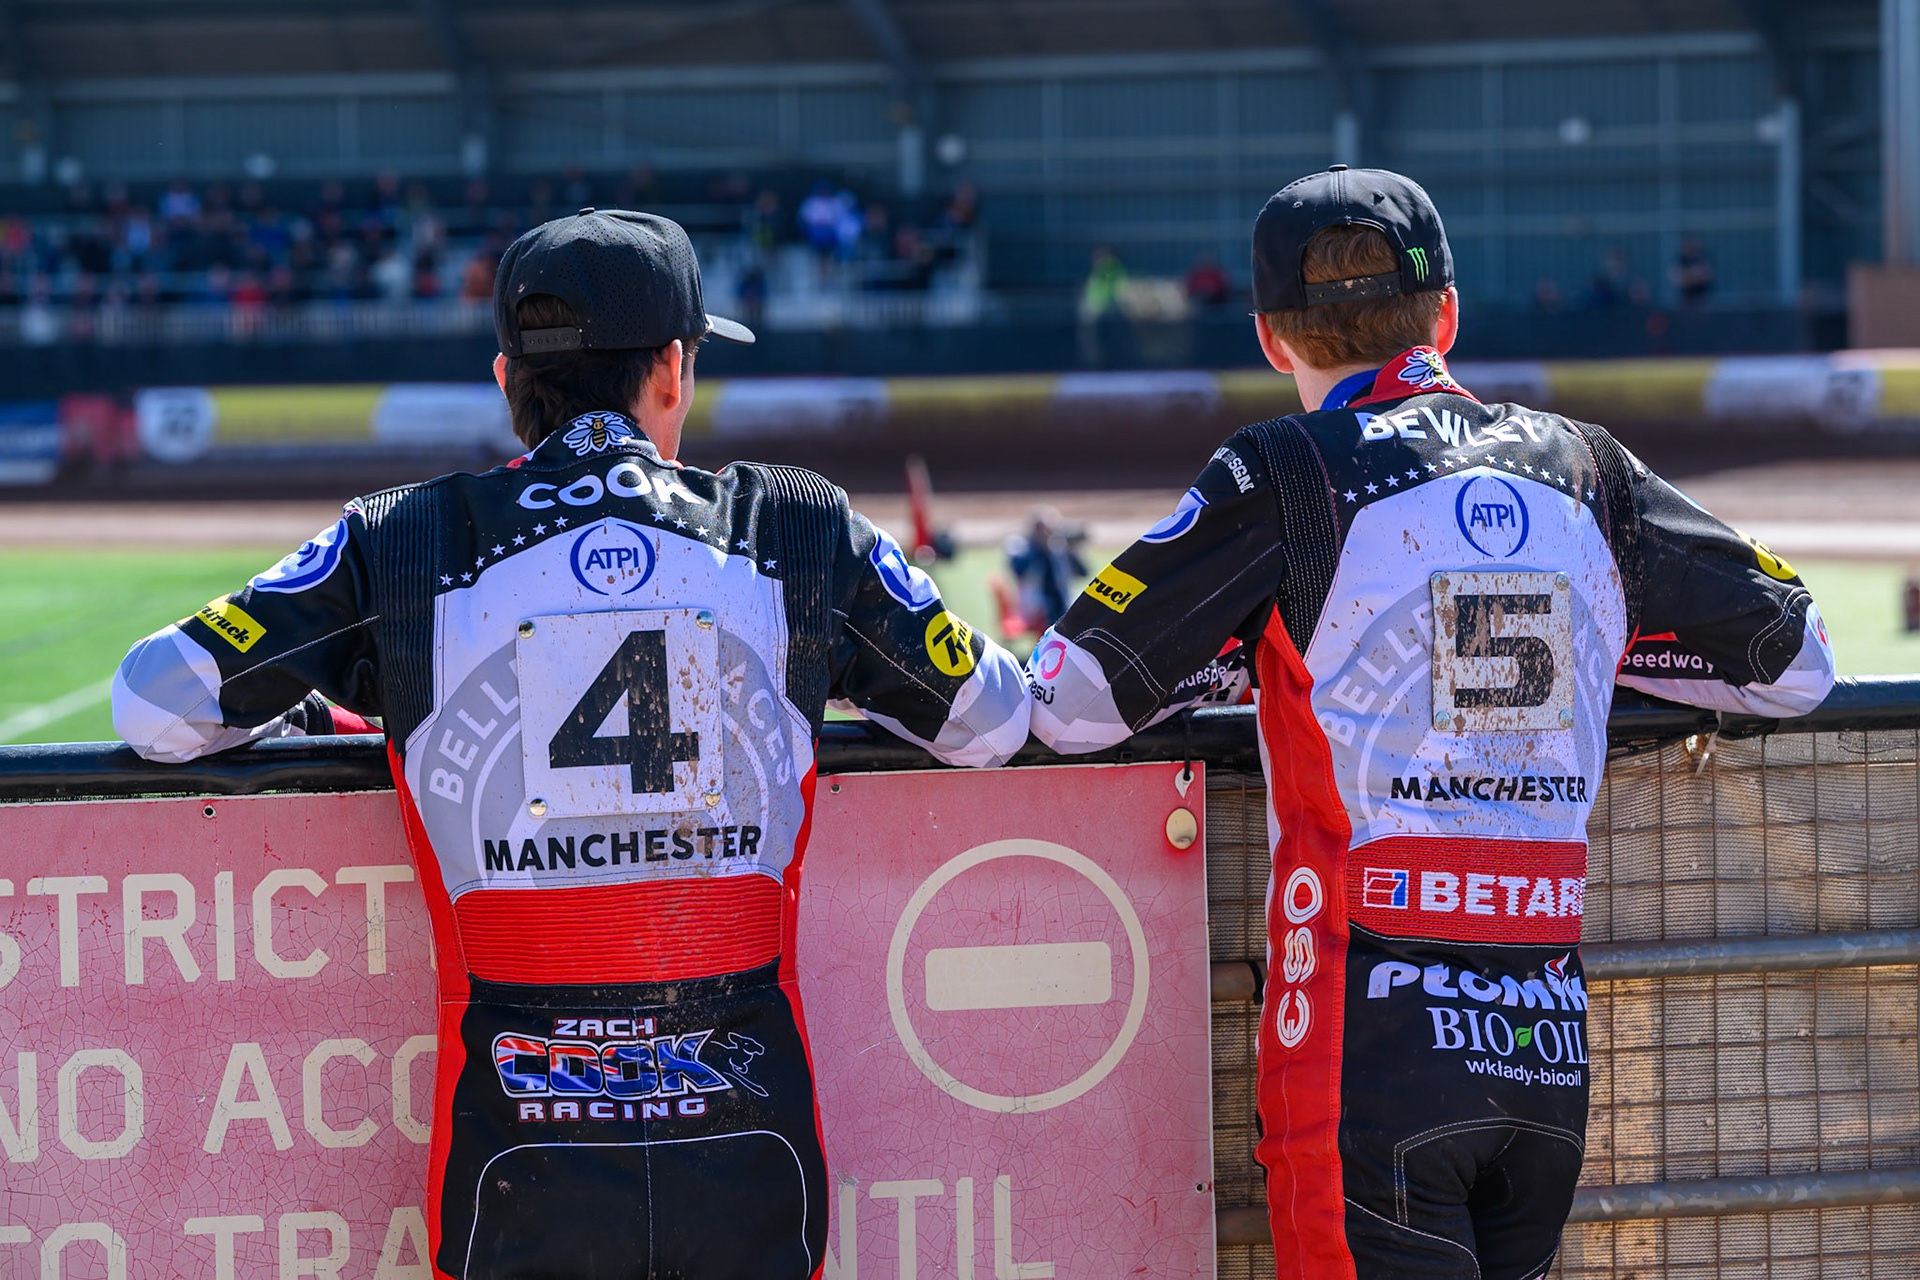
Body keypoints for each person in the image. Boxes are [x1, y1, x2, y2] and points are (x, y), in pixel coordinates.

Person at [112, 208, 1030, 1278]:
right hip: (751, 1158)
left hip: (513, 1171)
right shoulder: (798, 527)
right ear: (675, 370)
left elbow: (150, 702)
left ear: (507, 379)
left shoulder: (400, 537)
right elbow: (994, 715)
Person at [1025, 165, 1836, 1280]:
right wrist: (1604, 644)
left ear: (1271, 338)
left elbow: (1070, 698)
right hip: (1544, 1042)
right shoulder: (1590, 469)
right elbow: (1801, 661)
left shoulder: (1282, 471)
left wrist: (1246, 660)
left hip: (1368, 1045)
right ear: (1447, 314)